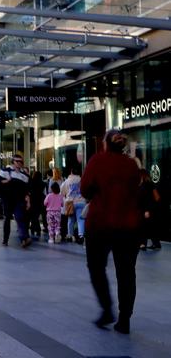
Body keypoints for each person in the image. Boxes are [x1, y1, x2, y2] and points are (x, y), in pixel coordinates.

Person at [81, 129, 142, 334]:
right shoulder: (131, 165)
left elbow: (85, 189)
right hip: (129, 226)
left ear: (106, 143)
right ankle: (125, 319)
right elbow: (136, 190)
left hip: (100, 224)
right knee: (126, 273)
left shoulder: (97, 161)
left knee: (96, 267)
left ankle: (107, 309)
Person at [0, 154, 31, 248]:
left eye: (21, 162)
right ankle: (5, 240)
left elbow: (26, 190)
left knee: (20, 218)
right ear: (13, 162)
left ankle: (23, 239)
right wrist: (7, 181)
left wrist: (28, 201)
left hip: (19, 200)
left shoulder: (24, 175)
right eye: (18, 161)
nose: (20, 163)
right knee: (7, 218)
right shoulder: (4, 171)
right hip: (7, 200)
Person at [139, 169, 162, 251]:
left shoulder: (147, 184)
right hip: (147, 209)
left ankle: (143, 244)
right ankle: (156, 244)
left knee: (144, 226)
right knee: (150, 227)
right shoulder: (146, 184)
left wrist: (148, 209)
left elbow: (156, 197)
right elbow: (157, 197)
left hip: (147, 209)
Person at [61, 166, 85, 244]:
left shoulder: (67, 181)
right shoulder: (82, 180)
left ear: (71, 172)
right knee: (80, 220)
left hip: (70, 203)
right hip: (81, 202)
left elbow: (62, 192)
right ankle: (81, 235)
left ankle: (70, 236)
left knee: (70, 220)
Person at [28, 171, 46, 241]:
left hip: (33, 200)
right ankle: (37, 230)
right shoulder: (43, 183)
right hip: (40, 200)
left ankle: (33, 229)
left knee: (33, 216)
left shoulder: (31, 182)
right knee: (37, 215)